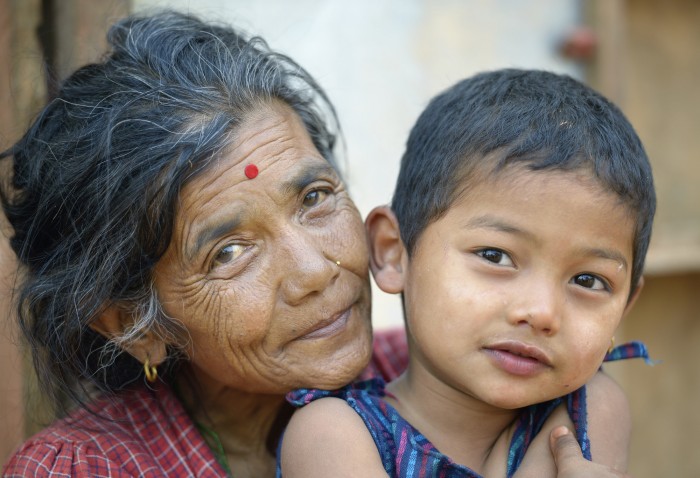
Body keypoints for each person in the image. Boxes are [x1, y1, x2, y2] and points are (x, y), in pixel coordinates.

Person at [0, 11, 635, 476]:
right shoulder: (81, 470)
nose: (314, 270)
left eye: (314, 199)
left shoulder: (456, 376)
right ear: (134, 324)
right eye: (229, 251)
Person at [280, 69, 655, 477]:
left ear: (625, 306)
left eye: (588, 281)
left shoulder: (592, 407)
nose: (541, 312)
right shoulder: (332, 435)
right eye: (494, 256)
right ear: (394, 252)